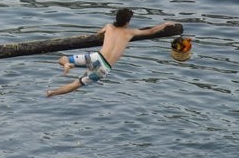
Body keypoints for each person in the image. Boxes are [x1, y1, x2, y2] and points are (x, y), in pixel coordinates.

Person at [47, 8, 179, 97]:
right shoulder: (130, 32)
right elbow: (151, 31)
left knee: (62, 59)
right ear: (127, 22)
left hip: (96, 57)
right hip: (104, 68)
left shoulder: (109, 27)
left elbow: (98, 33)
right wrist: (165, 24)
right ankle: (52, 93)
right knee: (77, 84)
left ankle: (67, 64)